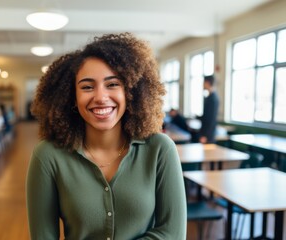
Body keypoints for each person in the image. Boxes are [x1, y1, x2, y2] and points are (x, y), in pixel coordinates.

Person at [27, 33, 186, 239]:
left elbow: (173, 234)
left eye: (112, 84)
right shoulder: (48, 155)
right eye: (87, 87)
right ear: (72, 97)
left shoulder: (160, 149)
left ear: (130, 92)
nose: (101, 97)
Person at [199, 75, 219, 143]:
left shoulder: (213, 99)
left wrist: (205, 136)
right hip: (207, 134)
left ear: (207, 83)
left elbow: (211, 119)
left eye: (203, 83)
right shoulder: (210, 97)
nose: (202, 85)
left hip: (208, 136)